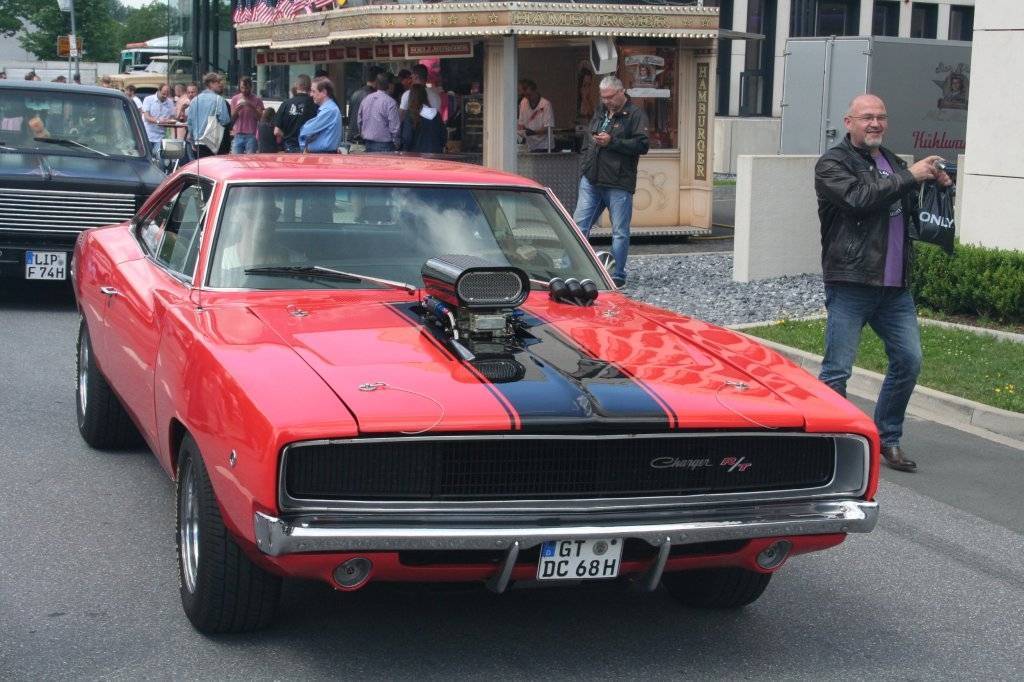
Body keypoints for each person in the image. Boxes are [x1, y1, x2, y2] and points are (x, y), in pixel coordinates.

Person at [814, 94, 952, 473]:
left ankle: (887, 437)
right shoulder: (832, 163)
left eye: (881, 117)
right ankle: (831, 443)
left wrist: (937, 184)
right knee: (837, 370)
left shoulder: (893, 161)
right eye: (867, 117)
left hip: (895, 288)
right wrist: (910, 176)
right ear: (849, 122)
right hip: (851, 281)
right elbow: (858, 199)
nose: (875, 123)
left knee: (909, 361)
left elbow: (909, 213)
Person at [571, 75, 649, 287]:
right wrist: (585, 166)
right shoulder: (601, 110)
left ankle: (617, 275)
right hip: (592, 179)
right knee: (578, 227)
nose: (606, 101)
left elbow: (642, 145)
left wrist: (612, 142)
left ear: (621, 92)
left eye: (610, 97)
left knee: (620, 232)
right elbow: (588, 138)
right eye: (603, 97)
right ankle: (575, 269)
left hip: (618, 183)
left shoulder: (636, 114)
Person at [185, 72, 230, 159]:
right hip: (214, 141)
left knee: (202, 165)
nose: (220, 84)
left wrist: (192, 141)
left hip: (198, 141)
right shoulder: (219, 99)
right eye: (218, 82)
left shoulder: (194, 100)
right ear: (211, 83)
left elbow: (190, 123)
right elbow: (225, 120)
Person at [358, 73, 399, 152]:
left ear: (376, 84)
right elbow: (394, 128)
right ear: (389, 85)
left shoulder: (366, 99)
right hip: (385, 145)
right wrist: (396, 142)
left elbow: (359, 121)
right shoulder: (391, 102)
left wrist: (362, 134)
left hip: (367, 143)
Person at [299, 77, 341, 153]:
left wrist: (304, 145)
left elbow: (306, 130)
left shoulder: (329, 110)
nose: (311, 94)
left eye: (313, 91)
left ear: (324, 92)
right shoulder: (329, 109)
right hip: (323, 154)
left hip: (323, 155)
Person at [399, 84, 446, 154]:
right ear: (425, 96)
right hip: (435, 154)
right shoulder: (436, 114)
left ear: (411, 98)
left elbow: (407, 137)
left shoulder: (410, 115)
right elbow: (443, 136)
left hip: (416, 155)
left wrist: (403, 149)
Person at [274, 74, 315, 152]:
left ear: (296, 85)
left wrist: (288, 136)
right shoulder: (315, 104)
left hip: (289, 147)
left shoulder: (285, 104)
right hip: (308, 148)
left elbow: (276, 131)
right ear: (310, 86)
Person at [140, 84, 176, 171]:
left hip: (161, 136)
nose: (165, 96)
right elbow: (146, 117)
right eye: (163, 93)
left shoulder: (170, 102)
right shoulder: (149, 99)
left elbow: (172, 118)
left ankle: (161, 175)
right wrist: (159, 121)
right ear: (158, 91)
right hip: (147, 135)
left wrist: (168, 121)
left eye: (167, 94)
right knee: (147, 160)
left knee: (161, 159)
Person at [228, 76, 264, 154]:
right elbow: (232, 119)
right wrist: (237, 109)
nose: (244, 90)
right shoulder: (235, 99)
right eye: (242, 88)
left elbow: (260, 119)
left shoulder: (257, 100)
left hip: (251, 135)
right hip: (238, 134)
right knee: (236, 159)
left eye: (246, 88)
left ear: (251, 87)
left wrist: (251, 106)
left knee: (249, 159)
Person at [517, 79, 555, 152]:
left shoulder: (545, 104)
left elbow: (548, 128)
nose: (527, 98)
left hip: (544, 146)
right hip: (530, 146)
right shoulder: (523, 102)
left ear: (535, 90)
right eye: (525, 95)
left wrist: (532, 132)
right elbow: (521, 124)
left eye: (529, 95)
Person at [347, 65, 383, 143]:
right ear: (378, 80)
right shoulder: (373, 96)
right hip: (364, 140)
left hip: (352, 138)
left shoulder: (355, 93)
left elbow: (350, 116)